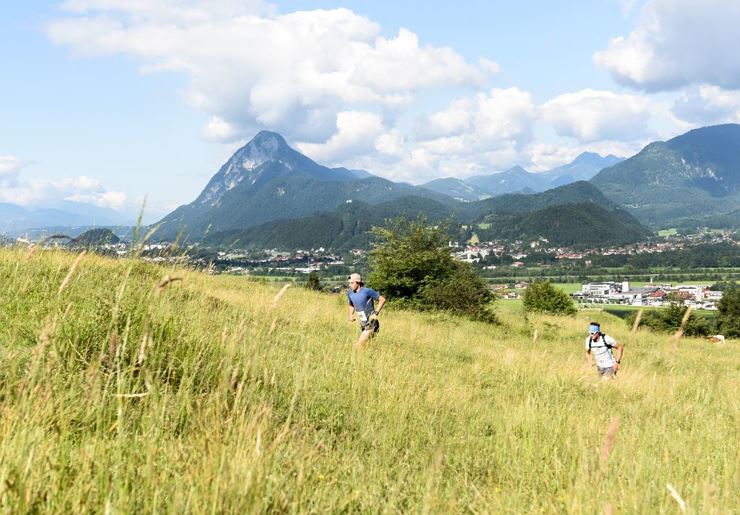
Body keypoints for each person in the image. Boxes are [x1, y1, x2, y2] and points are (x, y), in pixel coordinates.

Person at [347, 273, 386, 349]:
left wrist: (376, 313)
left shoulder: (367, 291)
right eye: (349, 283)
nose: (349, 285)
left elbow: (382, 299)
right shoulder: (350, 293)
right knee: (367, 347)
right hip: (363, 324)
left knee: (357, 346)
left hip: (372, 324)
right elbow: (351, 304)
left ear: (358, 282)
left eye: (352, 283)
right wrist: (351, 315)